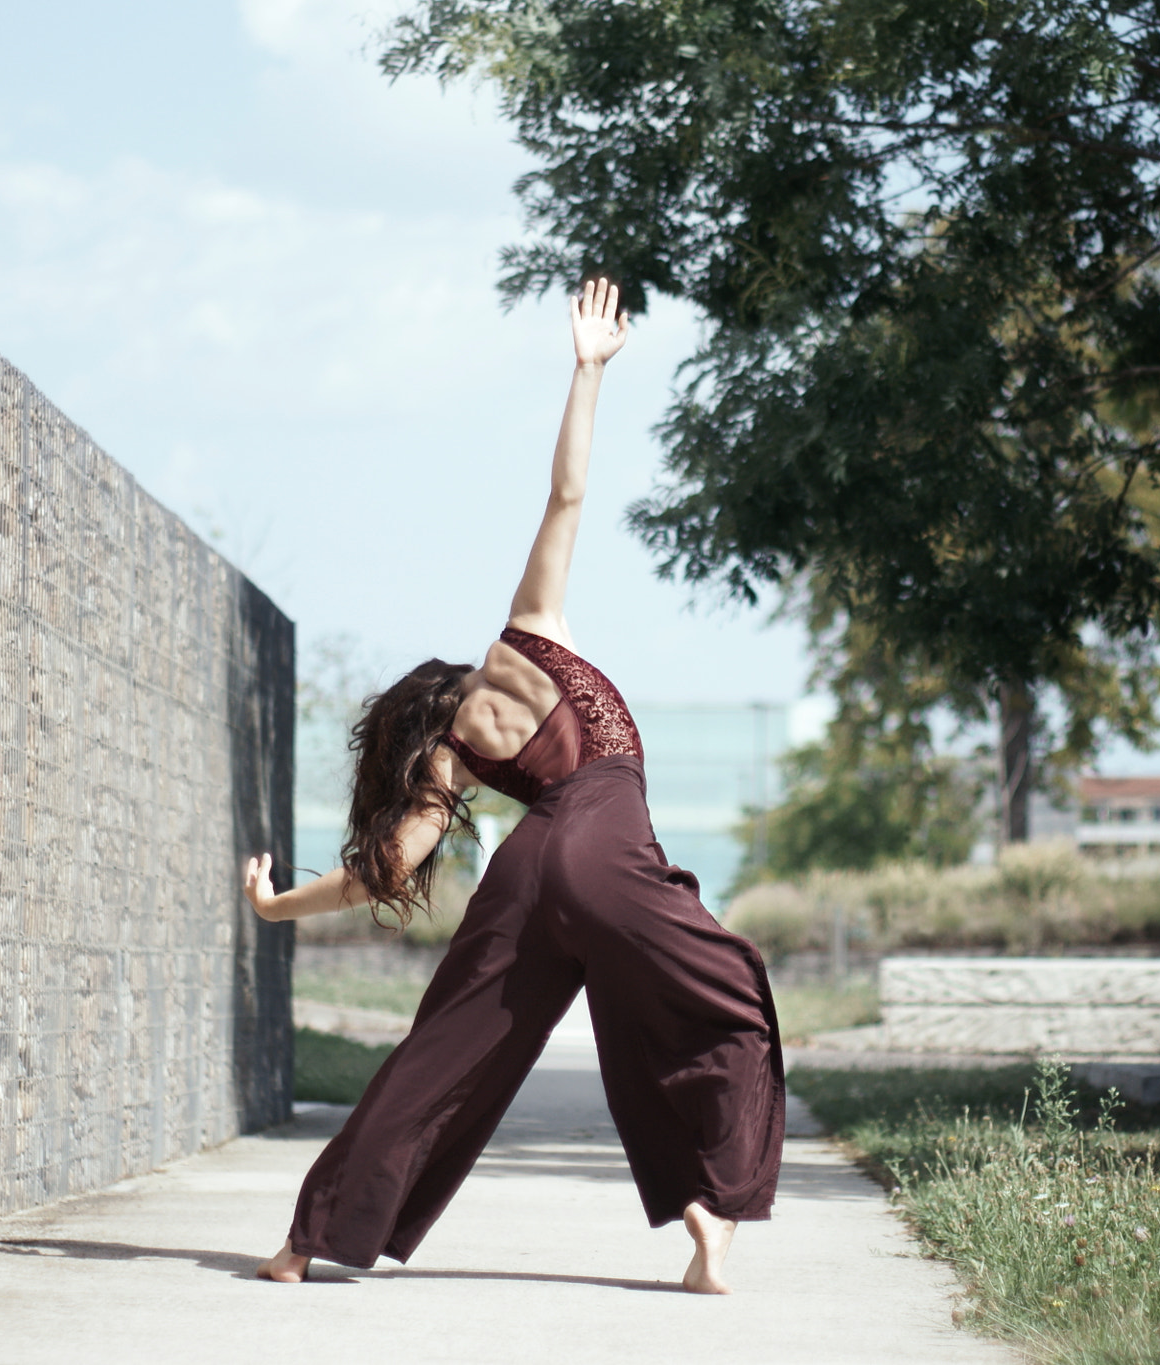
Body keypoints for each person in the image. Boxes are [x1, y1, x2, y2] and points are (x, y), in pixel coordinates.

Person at [240, 278, 785, 1295]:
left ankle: (302, 1244)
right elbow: (567, 497)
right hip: (609, 853)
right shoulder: (530, 642)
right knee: (724, 1011)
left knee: (445, 1052)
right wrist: (586, 372)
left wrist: (277, 906)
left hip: (532, 874)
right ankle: (710, 1223)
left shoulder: (452, 751)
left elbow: (384, 869)